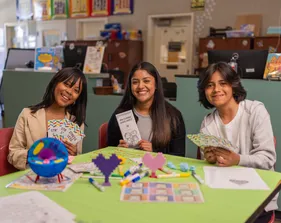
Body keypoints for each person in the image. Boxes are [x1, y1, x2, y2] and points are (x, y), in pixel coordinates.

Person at [197, 62, 277, 222]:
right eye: (210, 85)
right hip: (223, 196)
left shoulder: (255, 111)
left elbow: (268, 159)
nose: (216, 90)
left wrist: (237, 159)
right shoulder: (208, 123)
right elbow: (210, 168)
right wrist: (211, 160)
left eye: (222, 83)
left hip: (257, 198)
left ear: (233, 86)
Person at [8, 67, 87, 170]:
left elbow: (77, 161)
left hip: (63, 177)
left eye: (76, 90)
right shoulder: (27, 114)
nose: (69, 91)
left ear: (77, 98)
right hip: (33, 176)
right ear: (55, 83)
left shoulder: (76, 122)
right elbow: (12, 154)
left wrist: (74, 154)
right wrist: (34, 153)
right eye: (66, 84)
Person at [107, 62, 186, 156]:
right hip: (127, 169)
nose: (140, 86)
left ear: (156, 84)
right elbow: (108, 151)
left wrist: (155, 152)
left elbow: (179, 155)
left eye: (146, 81)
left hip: (159, 169)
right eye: (135, 82)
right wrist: (117, 150)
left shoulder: (173, 116)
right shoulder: (120, 114)